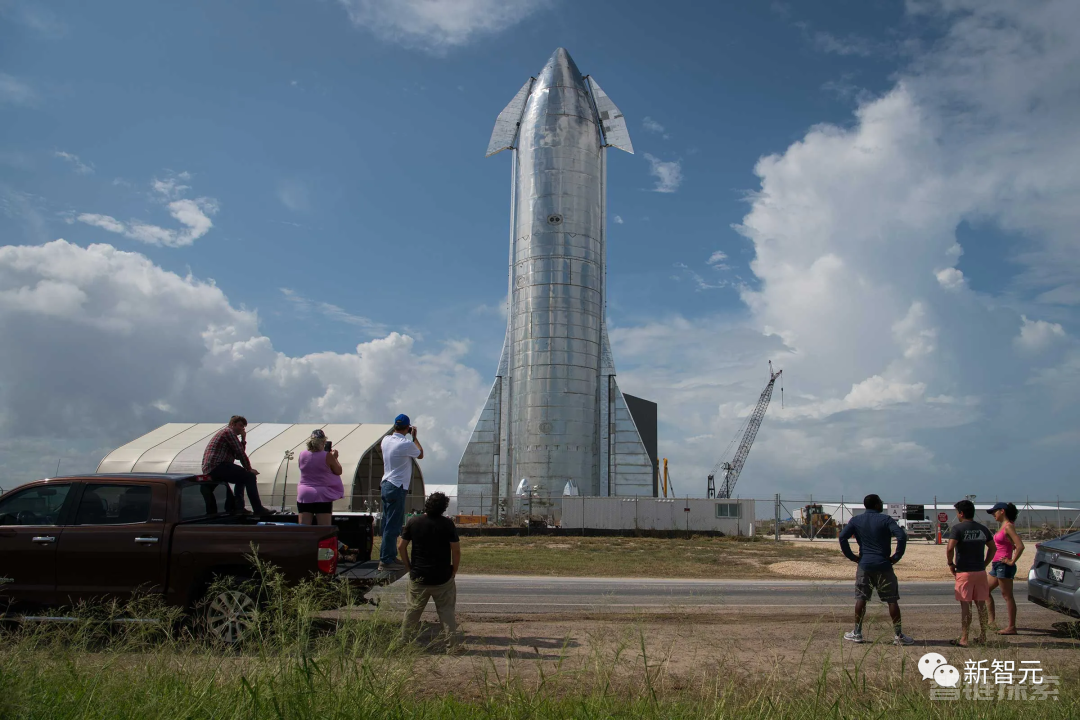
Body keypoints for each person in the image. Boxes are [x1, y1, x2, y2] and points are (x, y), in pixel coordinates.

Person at [838, 494, 915, 645]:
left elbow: (842, 537)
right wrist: (896, 557)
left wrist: (853, 557)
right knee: (892, 600)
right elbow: (901, 536)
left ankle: (857, 632)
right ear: (875, 504)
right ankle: (898, 635)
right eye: (880, 502)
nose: (882, 504)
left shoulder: (856, 520)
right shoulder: (886, 520)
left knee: (861, 599)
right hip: (884, 564)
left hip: (865, 564)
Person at [399, 491, 461, 643]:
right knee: (446, 612)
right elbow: (456, 550)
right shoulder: (447, 524)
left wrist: (409, 567)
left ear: (427, 504)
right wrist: (454, 570)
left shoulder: (413, 522)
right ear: (444, 508)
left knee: (412, 612)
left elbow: (401, 547)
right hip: (442, 577)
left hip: (419, 575)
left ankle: (404, 642)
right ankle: (451, 645)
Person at [946, 499, 996, 647]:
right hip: (980, 572)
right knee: (981, 605)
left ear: (961, 513)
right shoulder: (982, 529)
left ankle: (964, 638)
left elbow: (949, 548)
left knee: (966, 605)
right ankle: (983, 636)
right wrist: (985, 563)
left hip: (964, 572)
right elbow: (993, 548)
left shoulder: (957, 529)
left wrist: (950, 563)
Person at [201, 415, 273, 516]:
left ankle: (238, 507)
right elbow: (240, 453)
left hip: (213, 467)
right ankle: (257, 509)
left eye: (243, 427)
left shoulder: (228, 434)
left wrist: (243, 439)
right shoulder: (229, 432)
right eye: (240, 425)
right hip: (217, 465)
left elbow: (237, 454)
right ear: (232, 424)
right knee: (249, 476)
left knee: (242, 477)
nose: (242, 428)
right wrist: (249, 469)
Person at [379, 414, 423, 571]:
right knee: (394, 525)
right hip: (397, 486)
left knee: (387, 523)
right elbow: (420, 453)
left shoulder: (385, 440)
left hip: (386, 483)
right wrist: (415, 437)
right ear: (408, 427)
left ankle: (389, 556)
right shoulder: (405, 444)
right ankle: (385, 560)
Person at [986, 502, 1025, 636]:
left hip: (1004, 565)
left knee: (1007, 596)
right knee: (985, 591)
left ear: (1002, 511)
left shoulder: (1008, 526)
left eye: (994, 512)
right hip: (997, 564)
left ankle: (1011, 627)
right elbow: (1011, 544)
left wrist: (1012, 561)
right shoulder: (1003, 526)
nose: (993, 515)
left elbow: (1020, 546)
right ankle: (991, 622)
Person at [296, 429, 344, 526]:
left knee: (303, 528)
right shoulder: (327, 456)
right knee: (324, 529)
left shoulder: (302, 454)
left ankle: (305, 541)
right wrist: (335, 457)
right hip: (322, 494)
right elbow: (338, 471)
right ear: (323, 442)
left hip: (304, 493)